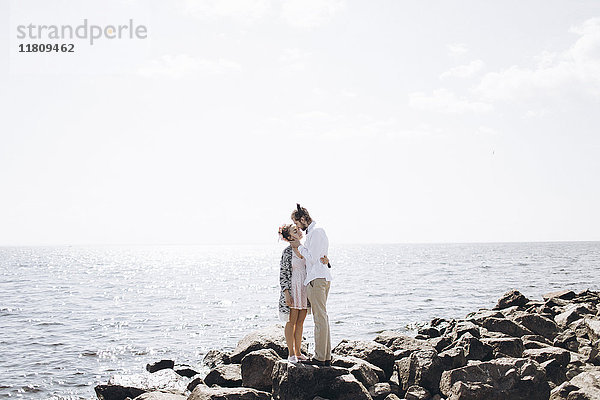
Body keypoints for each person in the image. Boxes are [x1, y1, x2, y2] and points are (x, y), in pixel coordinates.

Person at [278, 223, 330, 363]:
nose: (299, 231)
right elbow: (283, 274)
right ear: (289, 237)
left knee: (300, 322)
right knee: (291, 321)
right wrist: (286, 293)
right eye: (295, 231)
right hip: (293, 289)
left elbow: (316, 259)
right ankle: (291, 354)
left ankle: (298, 352)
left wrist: (326, 260)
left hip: (305, 287)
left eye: (298, 229)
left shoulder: (305, 248)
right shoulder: (287, 252)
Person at [289, 204, 333, 366]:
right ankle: (326, 356)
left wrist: (299, 246)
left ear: (303, 219)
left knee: (319, 319)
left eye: (297, 223)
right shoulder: (316, 232)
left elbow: (313, 258)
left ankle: (320, 358)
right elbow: (321, 256)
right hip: (321, 277)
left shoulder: (316, 232)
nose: (297, 227)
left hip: (316, 280)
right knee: (323, 317)